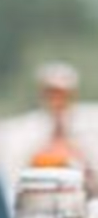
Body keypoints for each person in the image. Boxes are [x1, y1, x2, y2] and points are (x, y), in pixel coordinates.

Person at [29, 61, 97, 195]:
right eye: (51, 93)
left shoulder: (91, 123)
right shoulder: (25, 130)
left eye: (61, 93)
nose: (56, 99)